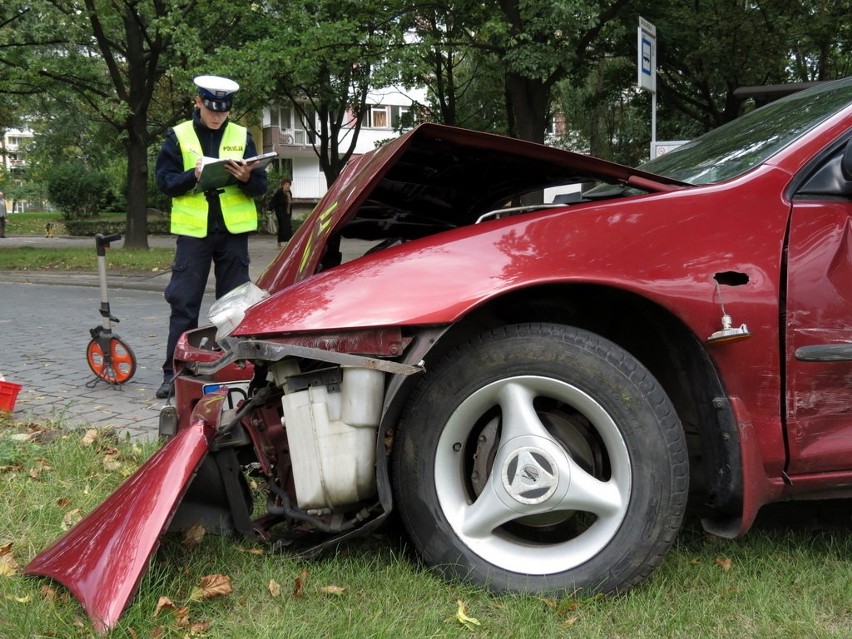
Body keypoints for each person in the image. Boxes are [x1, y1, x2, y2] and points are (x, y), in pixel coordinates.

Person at [154, 75, 268, 399]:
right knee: (183, 305)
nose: (217, 117)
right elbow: (164, 182)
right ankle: (173, 374)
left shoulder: (241, 135)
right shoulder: (178, 136)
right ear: (198, 102)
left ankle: (238, 370)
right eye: (211, 109)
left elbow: (260, 187)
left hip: (233, 234)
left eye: (223, 111)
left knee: (235, 308)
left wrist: (247, 177)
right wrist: (195, 175)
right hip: (194, 235)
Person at [267, 178, 293, 248]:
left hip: (287, 211)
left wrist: (290, 212)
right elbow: (273, 200)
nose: (288, 186)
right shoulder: (279, 192)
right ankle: (280, 242)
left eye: (289, 184)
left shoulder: (289, 193)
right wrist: (269, 209)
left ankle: (289, 242)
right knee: (282, 226)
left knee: (289, 226)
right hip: (280, 212)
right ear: (283, 185)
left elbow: (290, 203)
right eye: (286, 184)